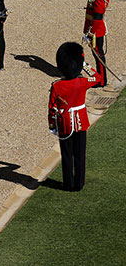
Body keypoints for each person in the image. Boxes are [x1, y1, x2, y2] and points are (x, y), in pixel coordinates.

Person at [48, 42, 102, 191]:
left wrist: (52, 126)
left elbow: (52, 109)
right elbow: (98, 77)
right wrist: (84, 64)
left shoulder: (57, 86)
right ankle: (79, 183)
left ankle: (68, 183)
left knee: (66, 155)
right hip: (80, 121)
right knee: (80, 154)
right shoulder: (82, 82)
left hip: (64, 123)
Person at [83, 0, 110, 87]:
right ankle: (101, 78)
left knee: (98, 56)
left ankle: (101, 80)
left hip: (96, 32)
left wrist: (89, 34)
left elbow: (98, 19)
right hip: (95, 30)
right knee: (98, 55)